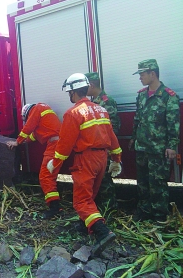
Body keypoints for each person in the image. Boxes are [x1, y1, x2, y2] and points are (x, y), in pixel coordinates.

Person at [47, 73, 122, 255]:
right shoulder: (101, 109)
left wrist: (55, 162)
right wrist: (116, 159)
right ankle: (84, 224)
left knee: (81, 200)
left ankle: (103, 232)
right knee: (91, 194)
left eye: (69, 93)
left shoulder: (72, 113)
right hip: (102, 158)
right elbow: (111, 136)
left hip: (86, 159)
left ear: (73, 93)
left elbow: (65, 144)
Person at [129, 59, 180, 222]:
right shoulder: (141, 95)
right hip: (142, 147)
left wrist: (172, 146)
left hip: (158, 149)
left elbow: (173, 123)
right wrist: (133, 137)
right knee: (142, 182)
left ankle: (159, 215)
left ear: (153, 73)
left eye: (142, 74)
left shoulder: (168, 96)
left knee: (158, 183)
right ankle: (144, 210)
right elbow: (137, 119)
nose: (140, 78)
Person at [6, 103, 62, 219]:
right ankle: (55, 205)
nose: (26, 121)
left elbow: (28, 128)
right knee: (48, 176)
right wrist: (22, 142)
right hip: (57, 144)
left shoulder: (37, 109)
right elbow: (33, 136)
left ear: (27, 114)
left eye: (25, 119)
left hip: (55, 144)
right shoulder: (42, 116)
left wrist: (17, 142)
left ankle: (55, 207)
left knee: (45, 176)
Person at [86, 72, 121, 211]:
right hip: (97, 148)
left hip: (105, 147)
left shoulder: (106, 101)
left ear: (91, 85)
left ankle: (110, 208)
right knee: (99, 178)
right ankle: (102, 206)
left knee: (105, 179)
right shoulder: (94, 102)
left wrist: (107, 147)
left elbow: (114, 126)